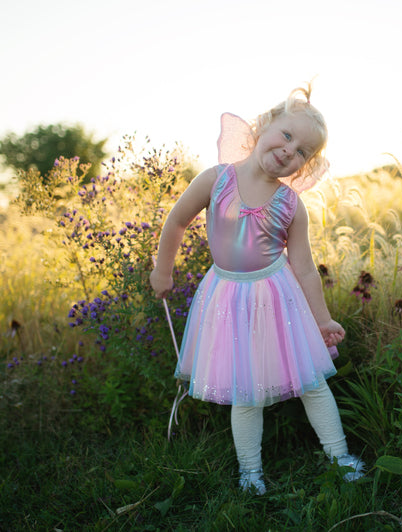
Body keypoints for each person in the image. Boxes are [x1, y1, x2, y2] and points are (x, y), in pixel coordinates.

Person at [149, 84, 363, 494]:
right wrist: (163, 270)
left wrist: (322, 319)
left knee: (312, 383)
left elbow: (303, 267)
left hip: (279, 299)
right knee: (244, 390)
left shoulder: (290, 205)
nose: (289, 150)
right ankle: (251, 473)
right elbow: (176, 221)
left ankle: (341, 458)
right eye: (286, 135)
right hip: (228, 297)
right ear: (263, 127)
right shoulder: (216, 180)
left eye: (301, 151)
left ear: (304, 166)